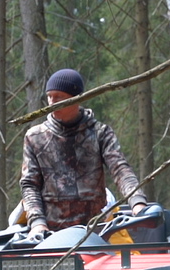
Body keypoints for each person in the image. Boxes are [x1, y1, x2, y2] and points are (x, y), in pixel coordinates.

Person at [19, 68, 148, 243]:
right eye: (49, 96)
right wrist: (37, 223)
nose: (52, 102)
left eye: (59, 97)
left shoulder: (100, 133)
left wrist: (137, 202)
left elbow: (120, 169)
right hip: (50, 235)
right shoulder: (35, 137)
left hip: (98, 232)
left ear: (77, 99)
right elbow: (29, 185)